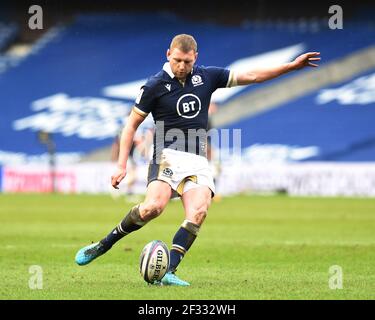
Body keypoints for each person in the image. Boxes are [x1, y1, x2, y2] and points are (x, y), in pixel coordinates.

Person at [75, 34, 320, 286]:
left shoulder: (208, 77)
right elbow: (130, 126)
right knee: (153, 208)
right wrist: (121, 165)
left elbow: (253, 76)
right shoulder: (153, 86)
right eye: (178, 60)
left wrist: (291, 67)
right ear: (168, 54)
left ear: (196, 58)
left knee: (199, 212)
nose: (182, 66)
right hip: (166, 155)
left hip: (197, 159)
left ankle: (168, 270)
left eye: (187, 62)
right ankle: (104, 244)